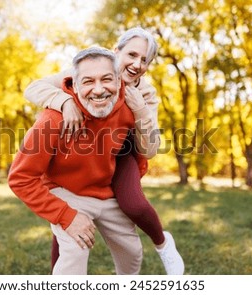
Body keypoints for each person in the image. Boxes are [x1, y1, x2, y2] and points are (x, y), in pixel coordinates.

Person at [24, 27, 184, 275]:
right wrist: (65, 101)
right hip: (83, 148)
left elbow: (150, 147)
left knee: (133, 204)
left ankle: (163, 244)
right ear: (115, 51)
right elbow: (34, 88)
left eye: (144, 60)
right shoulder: (91, 72)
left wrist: (140, 109)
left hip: (122, 150)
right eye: (131, 54)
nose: (136, 64)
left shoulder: (146, 93)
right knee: (70, 212)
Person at [8, 47, 143, 275]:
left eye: (107, 79)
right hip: (65, 192)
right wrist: (66, 215)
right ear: (75, 85)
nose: (99, 90)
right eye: (88, 81)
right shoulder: (52, 119)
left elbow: (135, 156)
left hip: (105, 193)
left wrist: (128, 188)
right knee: (75, 251)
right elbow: (20, 179)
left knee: (132, 251)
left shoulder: (127, 112)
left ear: (119, 81)